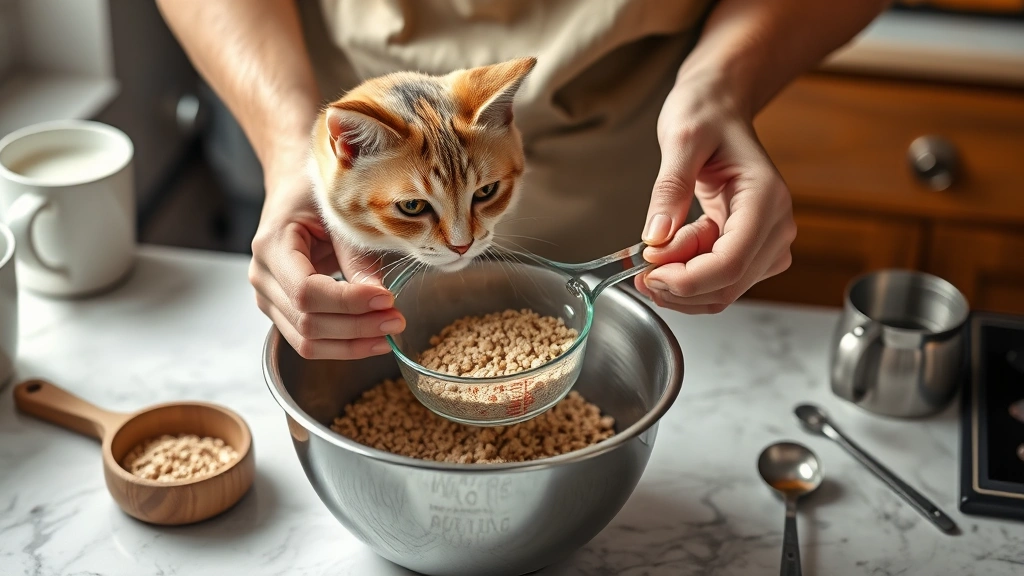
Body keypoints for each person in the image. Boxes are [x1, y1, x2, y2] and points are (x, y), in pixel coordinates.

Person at [156, 0, 888, 360]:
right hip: (313, 105)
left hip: (631, 161)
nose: (466, 242)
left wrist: (726, 82)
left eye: (480, 207)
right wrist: (294, 150)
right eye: (424, 213)